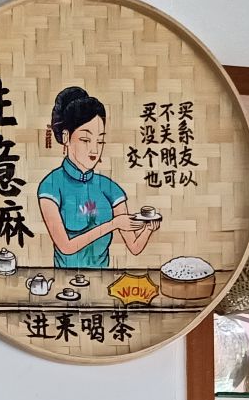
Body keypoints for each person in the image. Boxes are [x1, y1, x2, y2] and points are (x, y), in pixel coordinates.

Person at [36, 85, 159, 270]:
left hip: (103, 280)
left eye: (100, 141)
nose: (94, 149)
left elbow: (134, 247)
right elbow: (66, 247)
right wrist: (113, 224)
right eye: (86, 140)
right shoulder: (51, 186)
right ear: (66, 137)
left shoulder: (109, 188)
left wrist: (148, 229)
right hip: (65, 281)